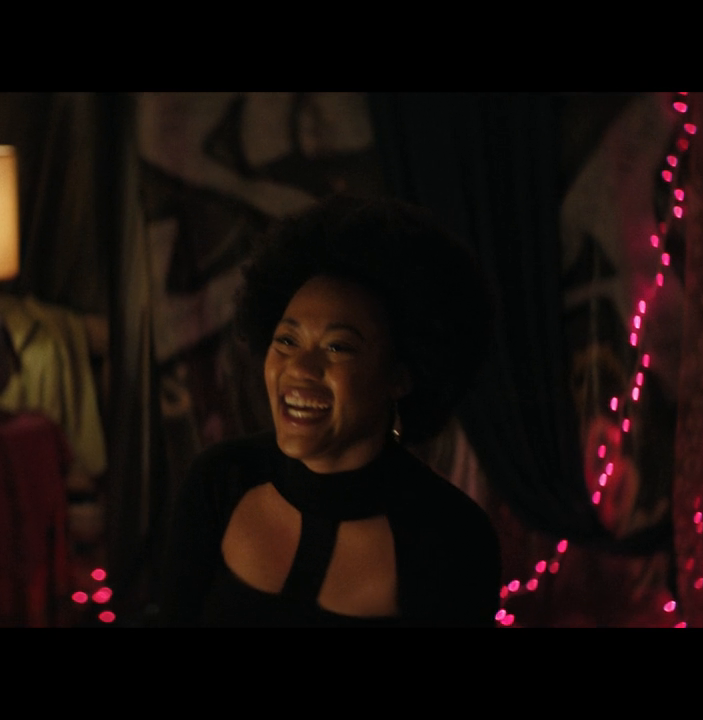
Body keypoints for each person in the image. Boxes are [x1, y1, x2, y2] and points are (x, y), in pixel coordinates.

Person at [158, 194, 502, 627]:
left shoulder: (454, 539)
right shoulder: (219, 482)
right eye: (287, 340)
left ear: (400, 375)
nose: (300, 368)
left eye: (338, 347)